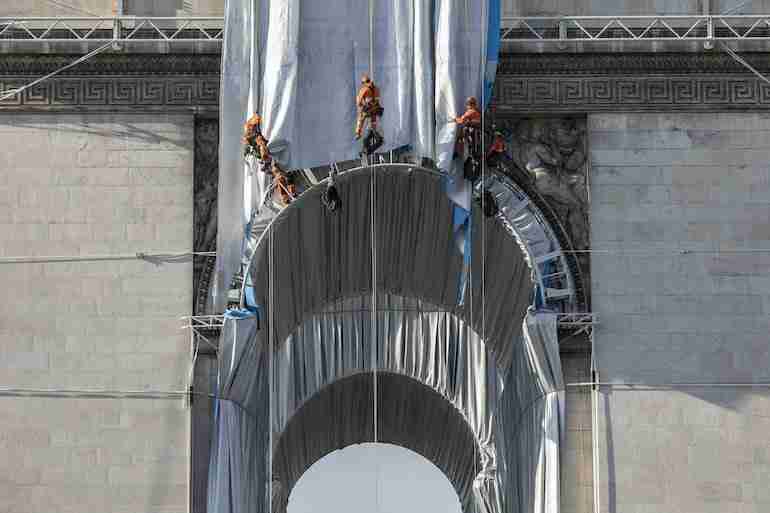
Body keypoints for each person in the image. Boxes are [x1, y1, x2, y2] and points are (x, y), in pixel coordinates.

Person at [355, 74, 384, 141]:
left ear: (364, 82)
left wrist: (361, 106)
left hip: (368, 109)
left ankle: (358, 133)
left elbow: (358, 101)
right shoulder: (376, 88)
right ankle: (374, 131)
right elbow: (377, 99)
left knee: (361, 118)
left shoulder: (364, 89)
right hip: (376, 109)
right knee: (373, 120)